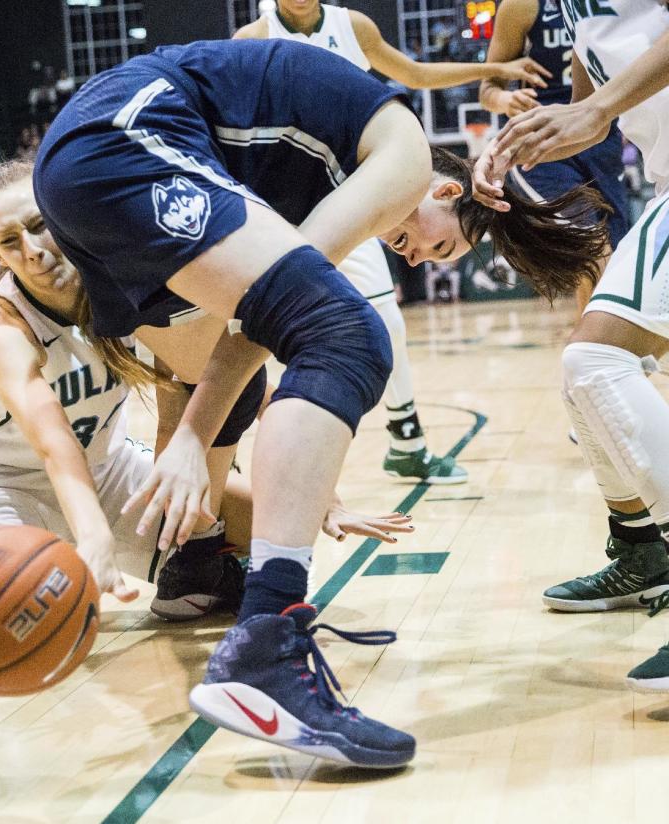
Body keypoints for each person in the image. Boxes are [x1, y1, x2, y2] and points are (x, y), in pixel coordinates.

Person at [30, 38, 606, 766]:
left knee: (243, 370)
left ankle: (198, 568)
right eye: (436, 248)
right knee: (349, 336)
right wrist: (188, 437)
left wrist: (195, 436)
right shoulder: (407, 159)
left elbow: (253, 329)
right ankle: (269, 640)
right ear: (445, 192)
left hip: (93, 158)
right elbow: (295, 326)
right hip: (129, 138)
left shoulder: (319, 177)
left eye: (430, 264)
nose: (413, 256)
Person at [0, 160, 412, 687]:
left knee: (269, 529)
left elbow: (227, 369)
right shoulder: (0, 324)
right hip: (2, 482)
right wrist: (91, 538)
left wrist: (324, 497)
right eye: (10, 240)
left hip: (108, 471)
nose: (31, 248)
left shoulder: (125, 281)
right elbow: (52, 445)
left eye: (38, 225)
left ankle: (195, 578)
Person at [233, 0, 551, 484]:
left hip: (357, 189)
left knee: (385, 322)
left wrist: (494, 67)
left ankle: (407, 442)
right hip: (284, 192)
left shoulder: (350, 26)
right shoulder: (251, 39)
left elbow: (415, 73)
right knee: (240, 319)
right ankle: (229, 446)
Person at [473, 0, 669, 693]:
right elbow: (591, 117)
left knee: (596, 361)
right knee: (586, 371)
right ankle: (644, 548)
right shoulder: (581, 22)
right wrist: (509, 148)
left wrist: (593, 109)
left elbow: (598, 108)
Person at [478, 0, 630, 318]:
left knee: (618, 251)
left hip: (600, 134)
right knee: (592, 244)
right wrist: (506, 98)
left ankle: (605, 341)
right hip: (542, 143)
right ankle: (599, 347)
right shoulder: (521, 6)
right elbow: (488, 88)